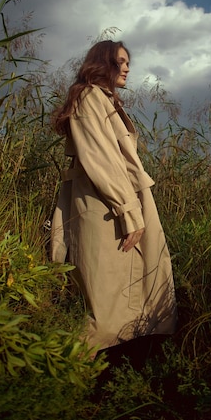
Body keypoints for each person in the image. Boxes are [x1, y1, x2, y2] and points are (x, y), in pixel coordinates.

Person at [50, 40, 177, 355]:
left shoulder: (104, 101)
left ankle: (116, 362)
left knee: (123, 289)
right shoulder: (90, 96)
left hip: (115, 198)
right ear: (101, 63)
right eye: (120, 61)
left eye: (128, 62)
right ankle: (78, 369)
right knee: (107, 295)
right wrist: (128, 209)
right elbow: (102, 158)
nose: (127, 68)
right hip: (106, 203)